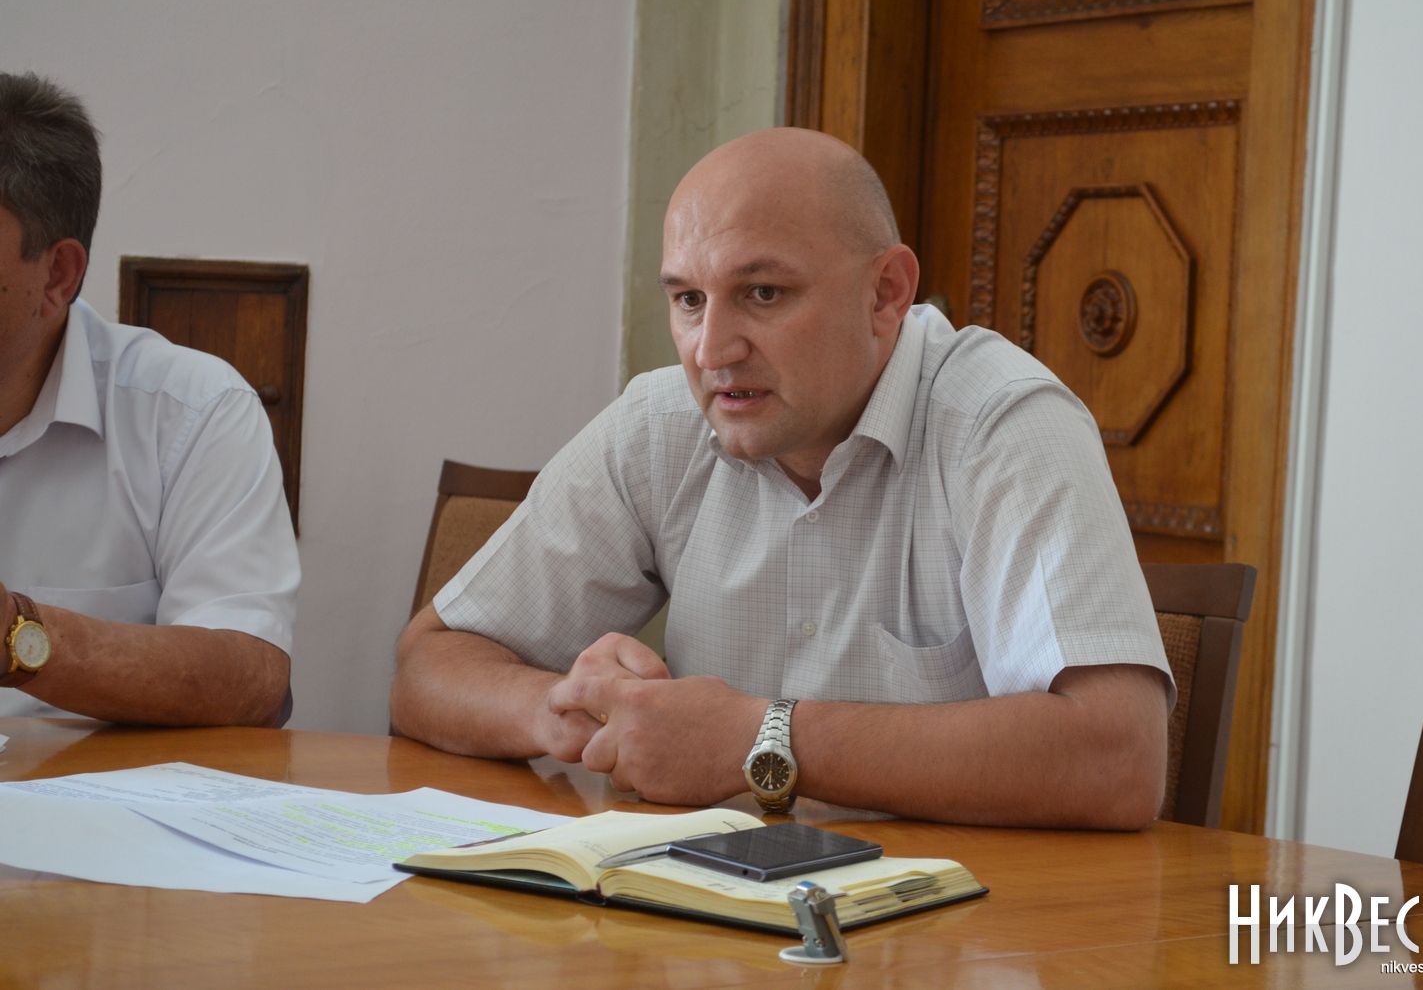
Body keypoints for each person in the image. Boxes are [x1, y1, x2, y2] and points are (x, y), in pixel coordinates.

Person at [391, 127, 1171, 827]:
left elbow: (1119, 758)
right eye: (689, 300)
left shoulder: (1001, 422)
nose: (712, 350)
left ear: (886, 293)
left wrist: (760, 740)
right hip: (703, 908)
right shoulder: (662, 425)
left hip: (958, 919)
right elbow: (427, 667)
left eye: (762, 294)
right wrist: (565, 708)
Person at [0, 72, 297, 726]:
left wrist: (17, 635)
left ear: (57, 274)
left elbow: (250, 676)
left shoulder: (192, 409)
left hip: (95, 788)